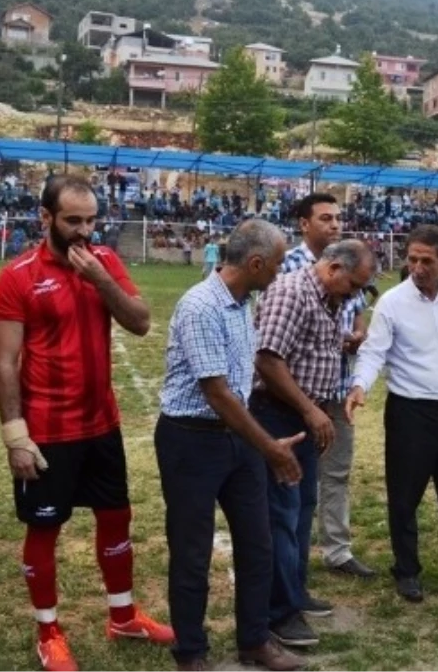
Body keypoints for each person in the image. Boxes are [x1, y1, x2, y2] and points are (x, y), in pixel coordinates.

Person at [0, 175, 172, 671]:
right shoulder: (17, 276)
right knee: (44, 531)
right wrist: (15, 436)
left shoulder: (105, 262)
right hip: (47, 431)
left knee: (117, 519)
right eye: (73, 221)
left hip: (101, 424)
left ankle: (123, 615)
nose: (84, 231)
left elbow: (139, 321)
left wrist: (100, 279)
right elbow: (5, 362)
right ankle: (47, 631)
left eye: (91, 220)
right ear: (45, 218)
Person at [156, 219, 309, 672]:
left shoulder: (244, 303)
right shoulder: (201, 305)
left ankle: (255, 640)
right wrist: (270, 447)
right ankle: (191, 653)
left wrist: (257, 442)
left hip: (236, 440)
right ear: (256, 263)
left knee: (256, 543)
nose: (280, 273)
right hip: (191, 441)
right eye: (278, 265)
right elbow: (217, 392)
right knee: (192, 550)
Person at [346, 225, 438, 603]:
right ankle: (407, 571)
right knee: (404, 497)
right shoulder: (392, 302)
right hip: (410, 414)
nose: (418, 267)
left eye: (427, 260)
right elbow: (374, 351)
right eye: (412, 259)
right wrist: (360, 386)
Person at [251, 239, 375, 647]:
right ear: (334, 267)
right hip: (281, 416)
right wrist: (309, 408)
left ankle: (294, 591)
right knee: (282, 514)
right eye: (354, 285)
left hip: (310, 416)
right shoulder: (291, 292)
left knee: (302, 508)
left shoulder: (329, 300)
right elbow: (268, 360)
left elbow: (310, 349)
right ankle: (278, 612)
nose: (355, 294)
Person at [282, 194, 376, 579]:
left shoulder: (352, 263)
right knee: (292, 474)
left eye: (338, 217)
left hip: (338, 385)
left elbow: (360, 311)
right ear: (304, 224)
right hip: (298, 392)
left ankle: (337, 550)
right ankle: (291, 551)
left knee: (336, 471)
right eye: (325, 218)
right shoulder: (287, 266)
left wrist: (356, 333)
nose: (335, 224)